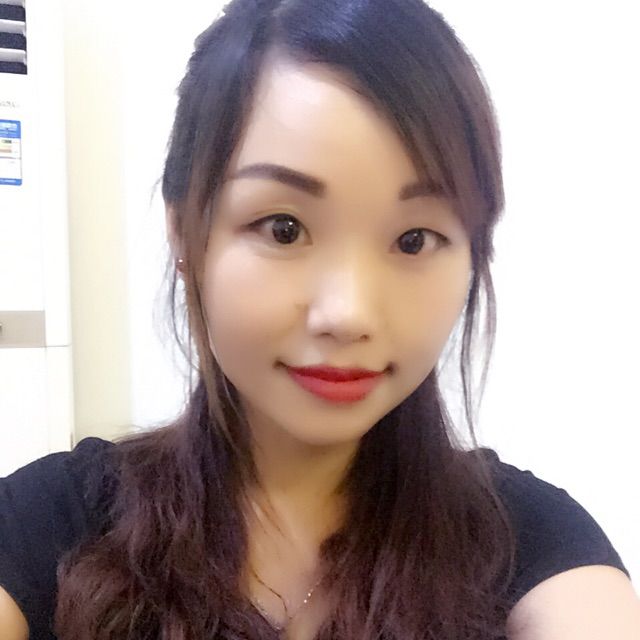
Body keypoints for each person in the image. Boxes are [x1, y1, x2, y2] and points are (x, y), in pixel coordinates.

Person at [1, 0, 639, 638]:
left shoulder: (532, 544)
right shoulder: (48, 524)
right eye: (284, 228)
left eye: (414, 239)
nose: (348, 314)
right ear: (185, 233)